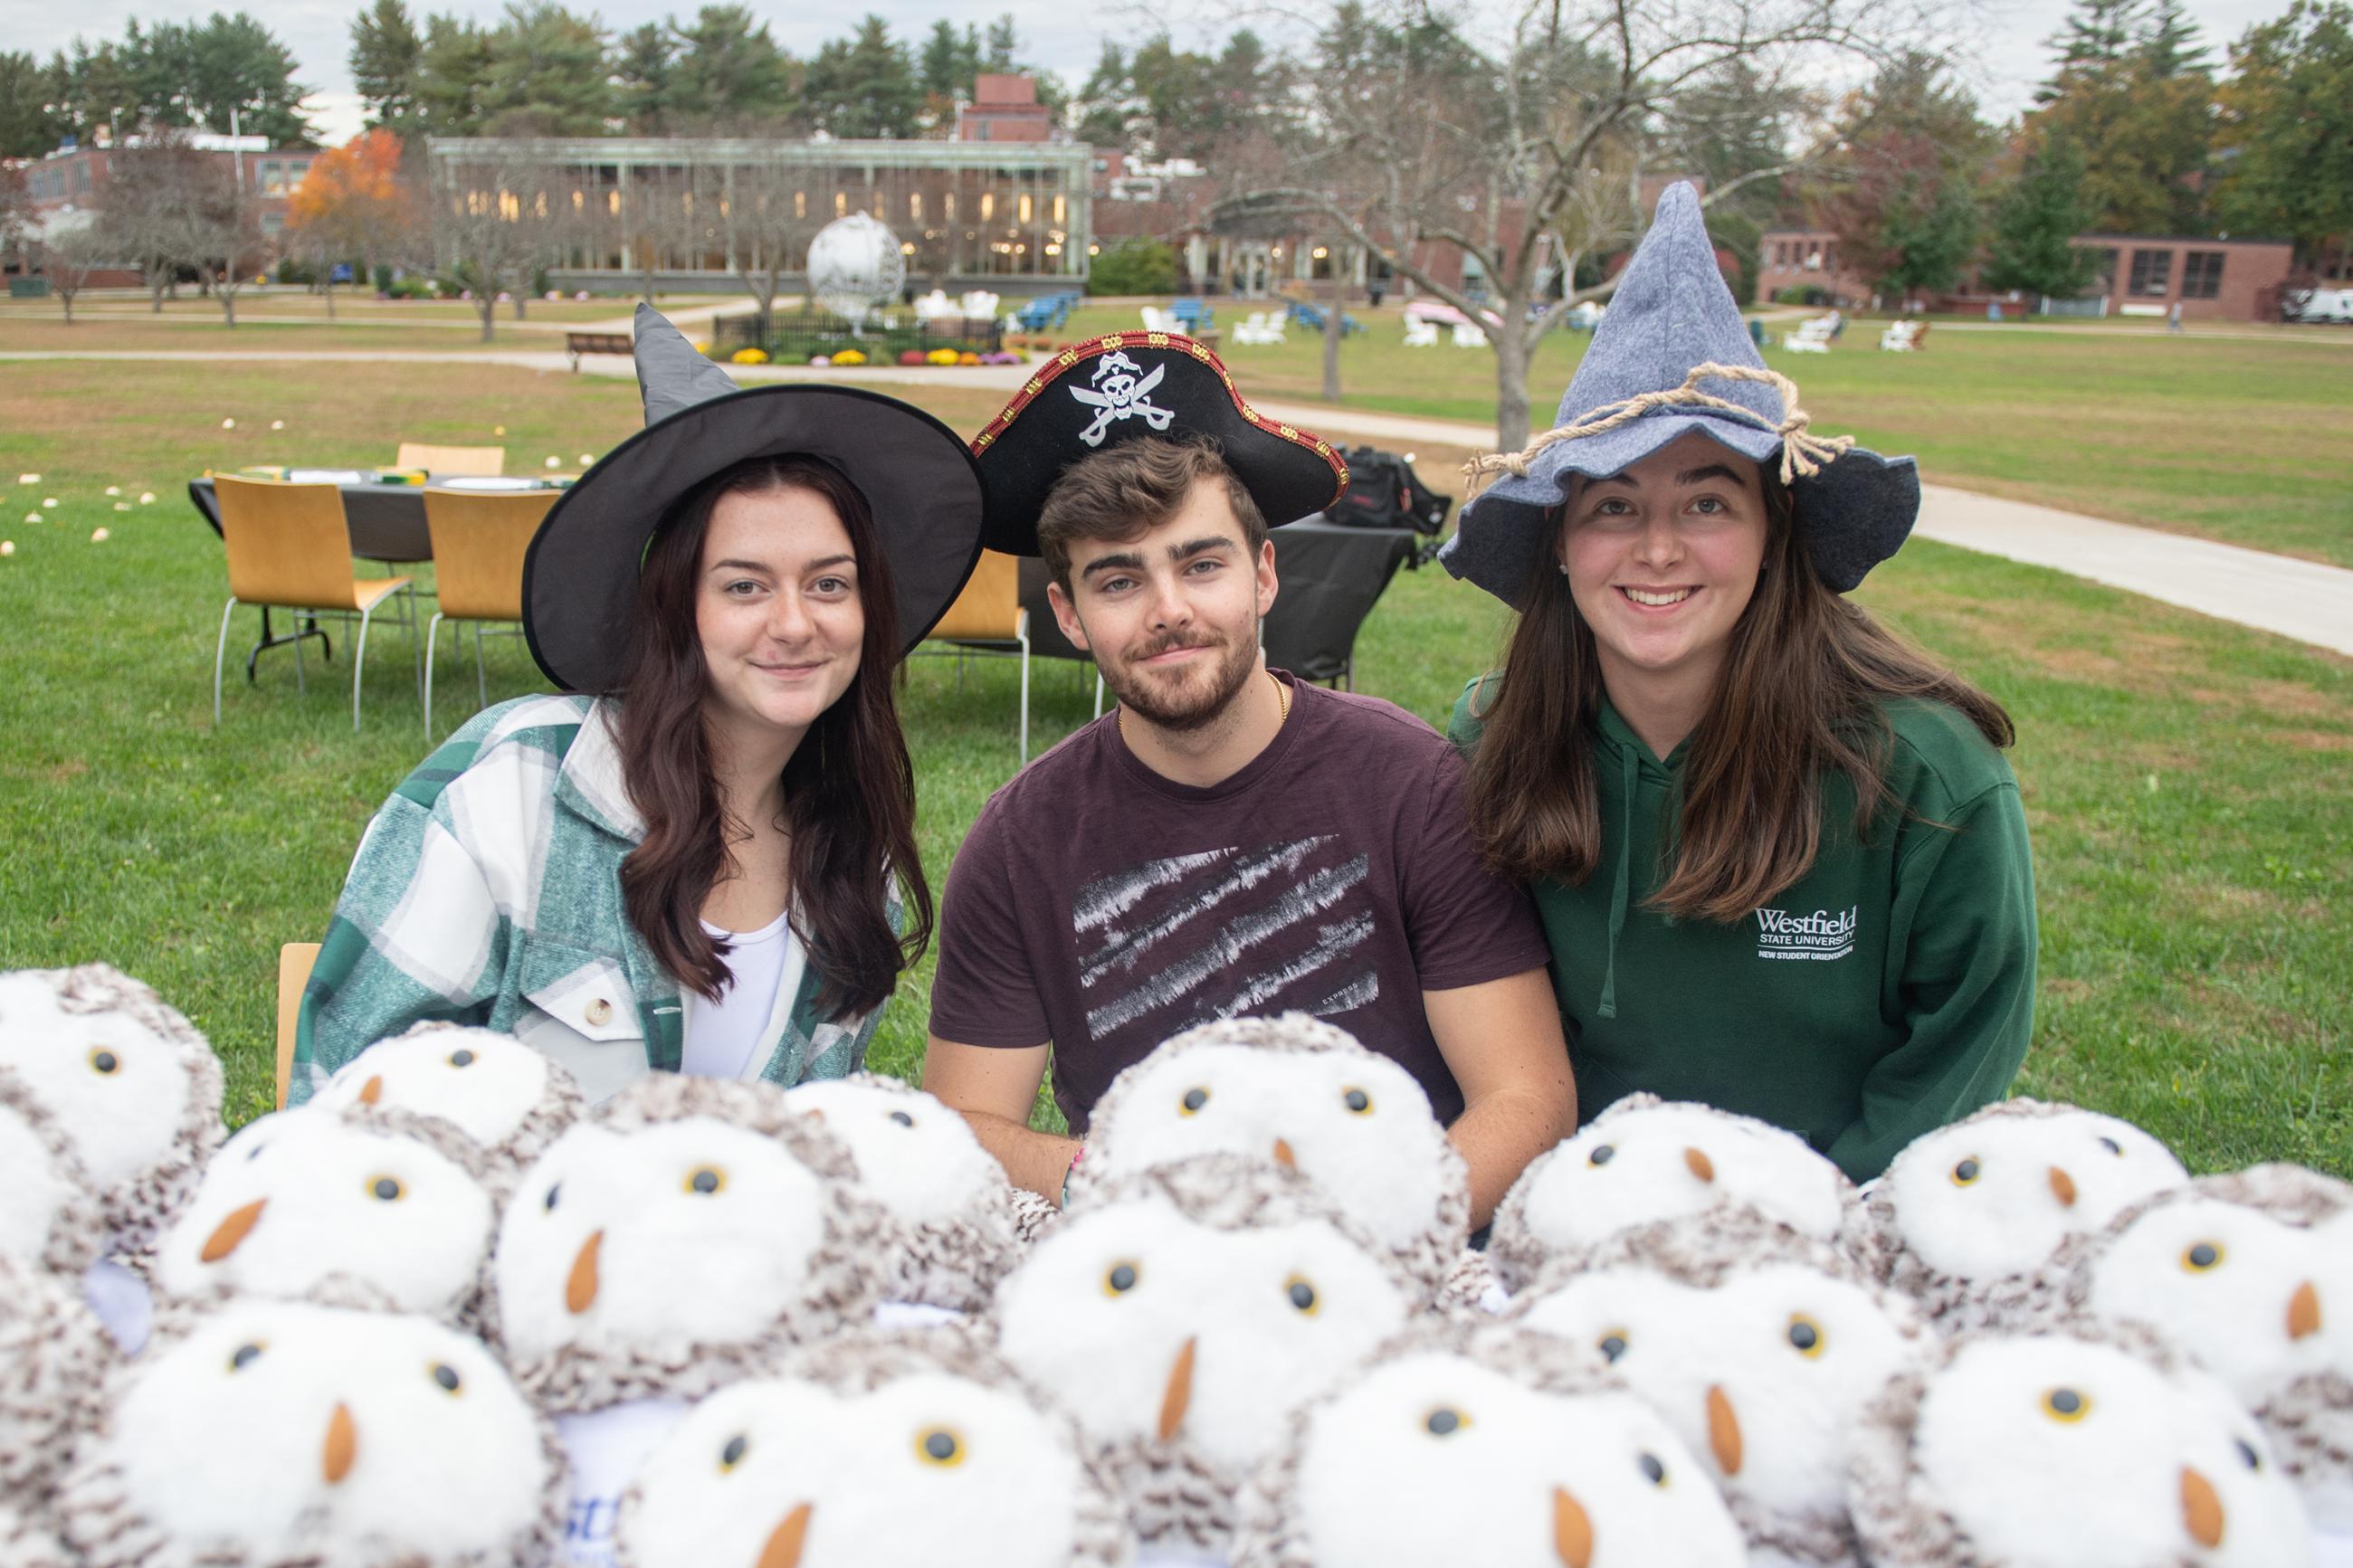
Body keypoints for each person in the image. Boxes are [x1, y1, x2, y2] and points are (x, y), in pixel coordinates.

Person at [1439, 184, 2035, 1183]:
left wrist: (1815, 1242)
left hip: (1832, 1249)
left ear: (1773, 534)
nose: (1659, 548)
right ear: (1558, 545)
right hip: (1557, 1231)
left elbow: (1951, 1065)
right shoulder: (1492, 740)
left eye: (1707, 500)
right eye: (1614, 506)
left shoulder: (1929, 775)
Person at [921, 333, 1575, 1226]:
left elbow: (1525, 1094)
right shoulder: (1020, 842)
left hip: (1400, 1253)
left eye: (1200, 563)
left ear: (1263, 572)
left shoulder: (1411, 784)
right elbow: (963, 1127)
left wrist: (1364, 1241)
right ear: (1068, 614)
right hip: (1149, 1258)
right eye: (1119, 580)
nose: (1169, 610)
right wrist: (1130, 1189)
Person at [291, 305, 987, 1105]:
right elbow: (344, 1098)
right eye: (744, 585)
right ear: (675, 606)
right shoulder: (516, 784)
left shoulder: (853, 865)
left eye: (830, 583)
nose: (795, 623)